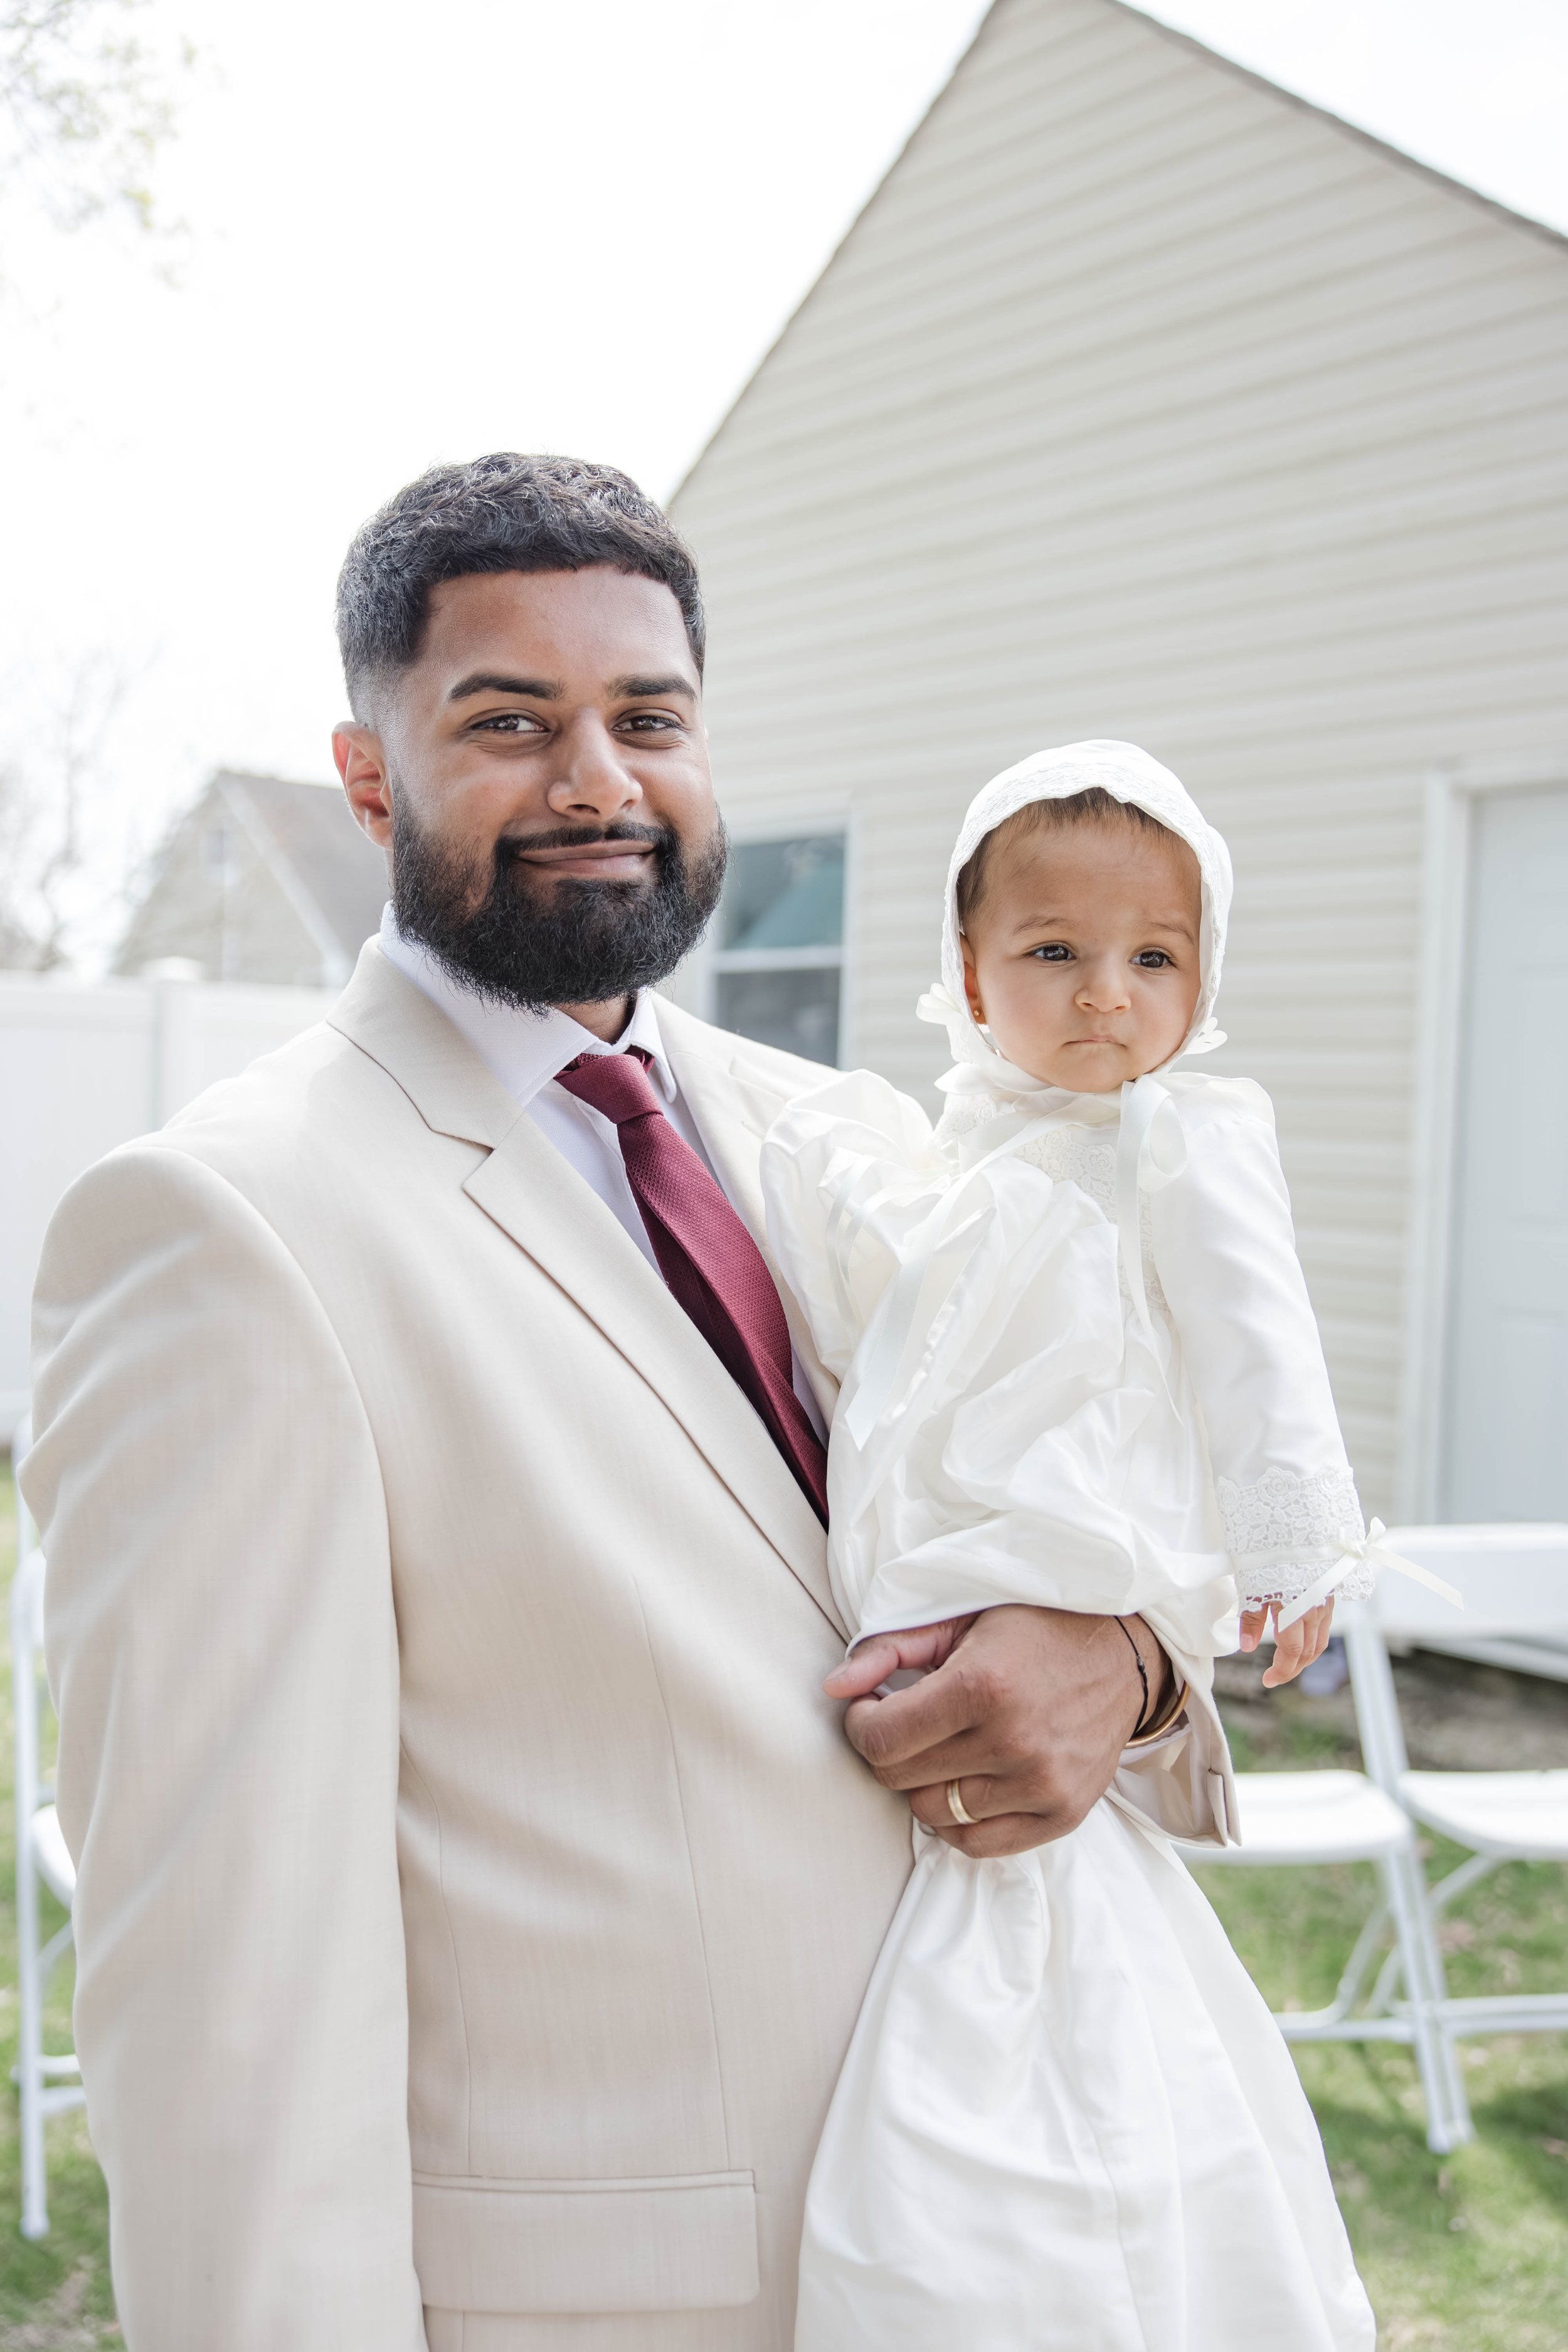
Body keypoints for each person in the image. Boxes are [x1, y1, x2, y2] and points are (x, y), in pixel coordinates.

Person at [21, 464, 1234, 2352]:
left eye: (645, 718)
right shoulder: (217, 1230)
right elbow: (230, 2011)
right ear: (368, 779)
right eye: (508, 720)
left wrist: (1132, 1667)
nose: (596, 777)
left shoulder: (843, 1127)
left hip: (1022, 2228)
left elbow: (1072, 1509)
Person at [760, 743, 1387, 2350]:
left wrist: (1289, 1537)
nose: (1104, 996)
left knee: (1053, 1971)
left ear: (1201, 979)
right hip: (939, 1557)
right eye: (1053, 953)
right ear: (967, 976)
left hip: (1069, 1544)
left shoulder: (1182, 1139)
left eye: (1151, 959)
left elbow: (1261, 1339)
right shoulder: (946, 1152)